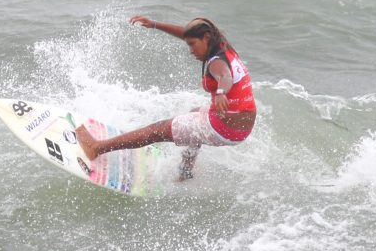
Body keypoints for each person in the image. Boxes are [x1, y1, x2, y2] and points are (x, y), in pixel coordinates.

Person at [75, 16, 256, 179]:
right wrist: (154, 24)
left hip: (223, 127)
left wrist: (220, 93)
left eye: (192, 44)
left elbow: (225, 76)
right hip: (241, 127)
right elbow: (185, 33)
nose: (190, 51)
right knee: (194, 115)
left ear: (206, 38)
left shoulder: (216, 62)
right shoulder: (222, 46)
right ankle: (186, 170)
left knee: (157, 130)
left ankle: (96, 148)